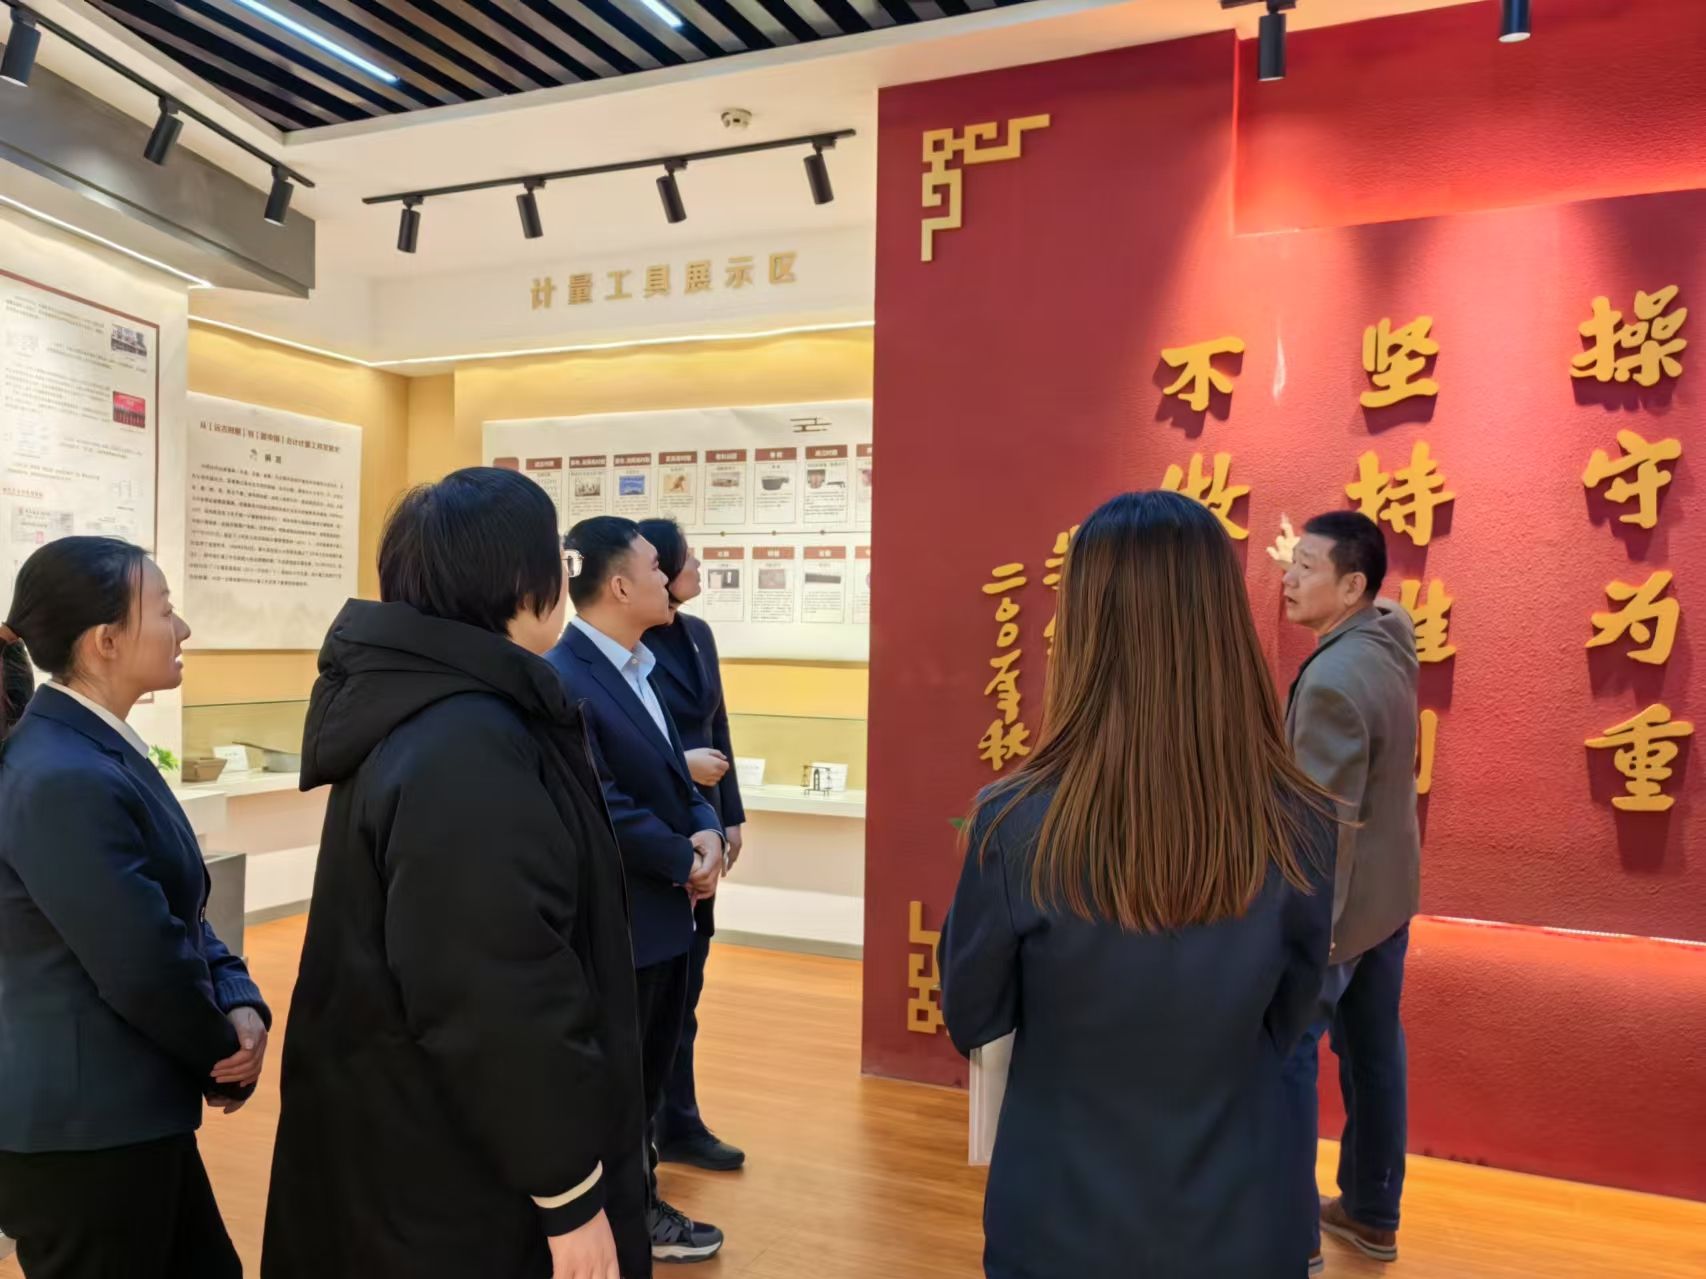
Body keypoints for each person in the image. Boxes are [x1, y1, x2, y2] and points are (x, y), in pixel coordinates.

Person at [261, 468, 650, 1279]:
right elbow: (496, 988)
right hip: (456, 1173)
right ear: (517, 578)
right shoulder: (466, 739)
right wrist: (570, 1193)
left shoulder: (436, 709)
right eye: (556, 559)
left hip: (412, 1139)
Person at [941, 491, 1336, 1279]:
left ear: (1084, 625)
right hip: (1242, 1215)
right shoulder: (1301, 817)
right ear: (1224, 623)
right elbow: (1293, 1012)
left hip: (1058, 1219)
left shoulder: (1013, 822)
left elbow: (974, 1014)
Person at [0, 538, 269, 1279]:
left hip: (128, 1119)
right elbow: (141, 965)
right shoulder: (61, 773)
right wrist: (223, 1054)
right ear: (107, 641)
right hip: (85, 1138)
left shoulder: (93, 751)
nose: (183, 629)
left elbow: (180, 909)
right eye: (165, 610)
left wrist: (240, 999)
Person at [549, 517, 726, 1265]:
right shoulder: (567, 676)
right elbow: (604, 800)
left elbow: (673, 770)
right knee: (621, 1083)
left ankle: (640, 1204)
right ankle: (627, 1218)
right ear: (620, 586)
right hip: (624, 917)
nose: (669, 578)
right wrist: (684, 857)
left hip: (666, 912)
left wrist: (705, 828)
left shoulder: (639, 665)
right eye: (657, 567)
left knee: (649, 1074)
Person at [1279, 511, 1421, 1274]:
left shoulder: (1332, 682)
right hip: (1390, 898)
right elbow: (1393, 606)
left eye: (1306, 567)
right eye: (1291, 562)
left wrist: (1308, 939)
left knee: (1290, 1055)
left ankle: (1292, 1234)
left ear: (1352, 585)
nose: (1288, 578)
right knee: (1373, 1049)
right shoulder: (1391, 637)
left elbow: (1320, 830)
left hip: (1341, 912)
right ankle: (1372, 1211)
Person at [636, 518, 747, 1173]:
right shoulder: (629, 644)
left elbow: (718, 725)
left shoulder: (697, 634)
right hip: (654, 828)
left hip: (703, 825)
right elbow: (621, 748)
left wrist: (731, 815)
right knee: (654, 991)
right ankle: (648, 1129)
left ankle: (678, 1121)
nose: (698, 566)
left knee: (688, 986)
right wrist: (683, 766)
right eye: (685, 559)